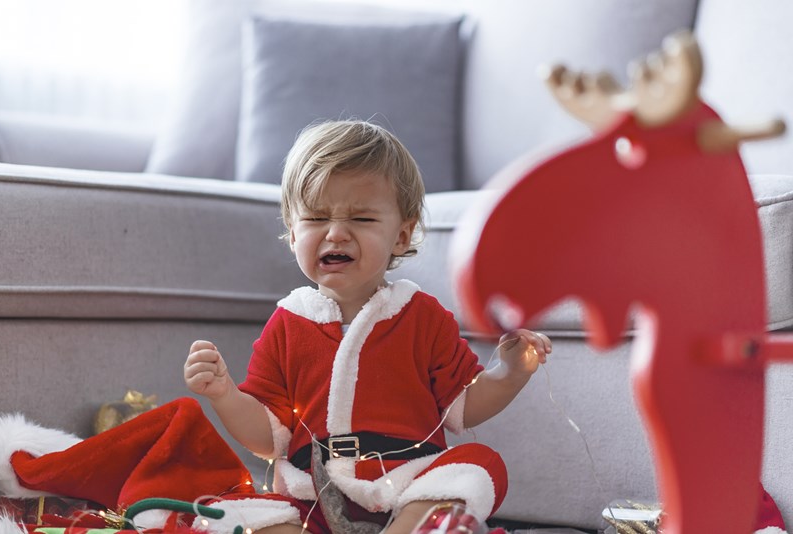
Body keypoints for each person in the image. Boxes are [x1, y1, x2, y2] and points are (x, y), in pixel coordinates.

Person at [184, 120, 552, 534]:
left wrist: (510, 372)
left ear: (402, 235)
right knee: (233, 511)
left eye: (361, 218)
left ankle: (408, 528)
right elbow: (270, 438)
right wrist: (224, 393)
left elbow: (464, 407)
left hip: (408, 487)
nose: (336, 233)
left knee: (480, 465)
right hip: (313, 500)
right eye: (317, 217)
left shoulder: (422, 315)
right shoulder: (288, 323)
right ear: (292, 232)